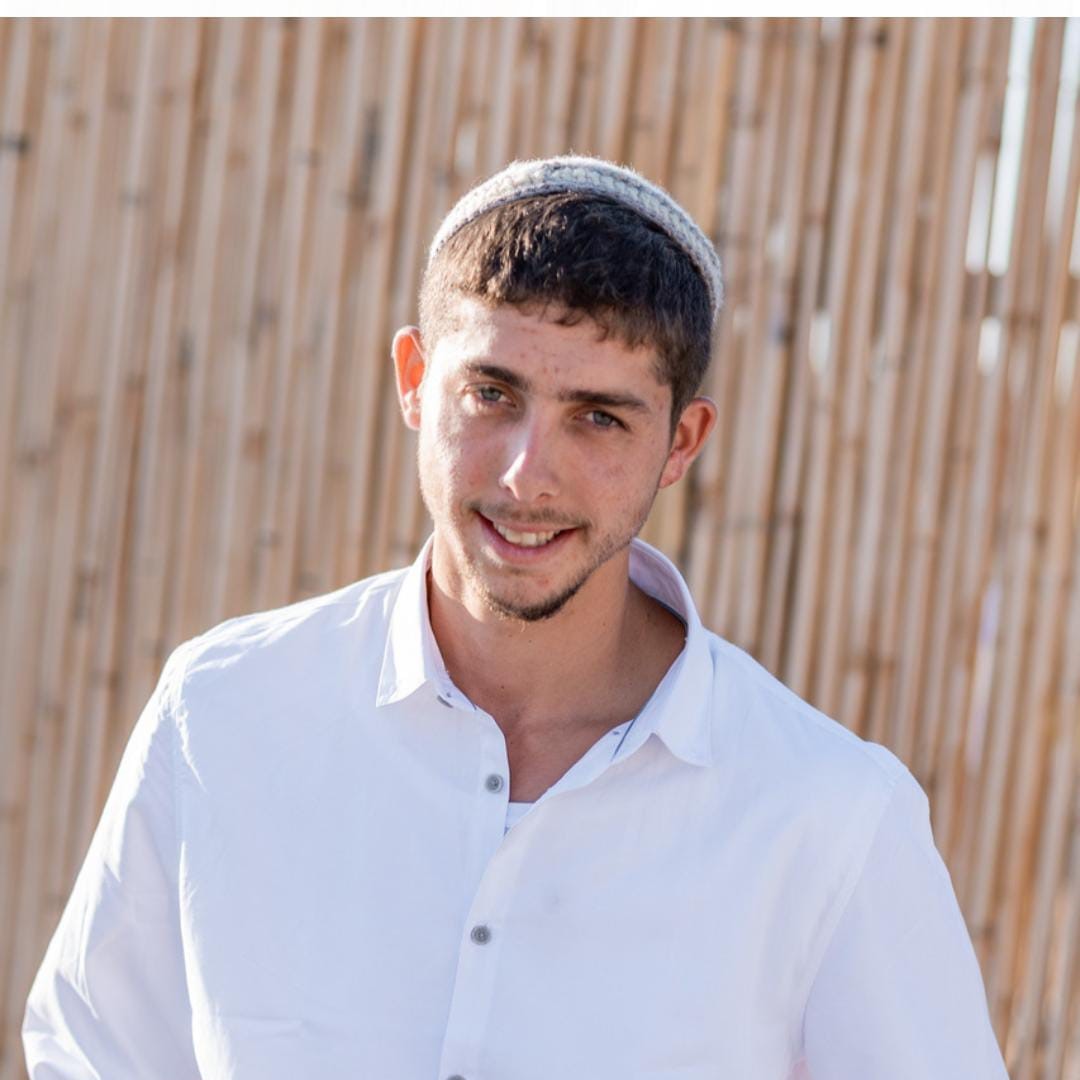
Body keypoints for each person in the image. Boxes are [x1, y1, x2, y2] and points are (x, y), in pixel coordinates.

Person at [24, 156, 1009, 1079]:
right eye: (492, 393)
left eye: (599, 417)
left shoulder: (828, 819)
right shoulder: (224, 715)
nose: (527, 475)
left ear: (682, 442)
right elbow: (93, 1055)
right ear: (416, 381)